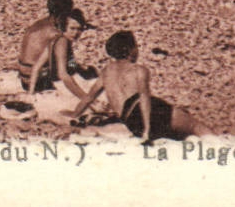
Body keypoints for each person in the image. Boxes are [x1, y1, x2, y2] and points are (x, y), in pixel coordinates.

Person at [68, 31, 212, 142]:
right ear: (130, 50)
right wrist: (147, 129)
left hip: (130, 119)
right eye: (136, 46)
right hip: (145, 111)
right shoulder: (138, 70)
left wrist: (74, 115)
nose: (137, 49)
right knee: (195, 126)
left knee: (178, 133)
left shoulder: (106, 72)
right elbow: (144, 98)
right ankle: (220, 146)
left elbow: (88, 98)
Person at [17, 0, 93, 100]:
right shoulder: (59, 35)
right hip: (42, 81)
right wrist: (79, 70)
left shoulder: (40, 24)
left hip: (25, 77)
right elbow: (66, 68)